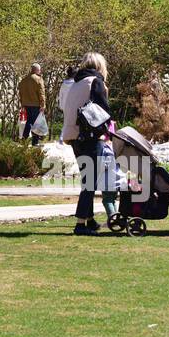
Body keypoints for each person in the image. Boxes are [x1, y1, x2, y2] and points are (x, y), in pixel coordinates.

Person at [61, 52, 115, 236]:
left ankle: (90, 220)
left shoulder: (77, 82)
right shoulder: (96, 82)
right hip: (90, 136)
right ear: (100, 66)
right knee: (90, 181)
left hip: (74, 136)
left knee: (88, 177)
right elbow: (104, 110)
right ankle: (80, 224)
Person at [19, 63, 46, 143]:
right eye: (39, 70)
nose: (40, 71)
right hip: (35, 104)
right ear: (37, 70)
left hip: (26, 104)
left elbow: (20, 93)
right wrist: (43, 104)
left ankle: (24, 139)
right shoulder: (38, 79)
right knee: (36, 123)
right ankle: (35, 142)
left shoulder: (24, 80)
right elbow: (41, 93)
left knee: (28, 122)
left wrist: (22, 103)